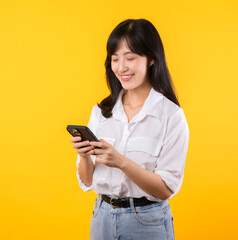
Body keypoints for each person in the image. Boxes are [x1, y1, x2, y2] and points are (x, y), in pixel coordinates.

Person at [69, 18, 189, 240]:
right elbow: (87, 181)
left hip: (147, 222)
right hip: (101, 218)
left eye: (130, 58)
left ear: (151, 59)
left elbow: (165, 189)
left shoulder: (171, 116)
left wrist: (121, 162)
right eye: (115, 59)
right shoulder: (101, 112)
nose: (121, 67)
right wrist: (84, 156)